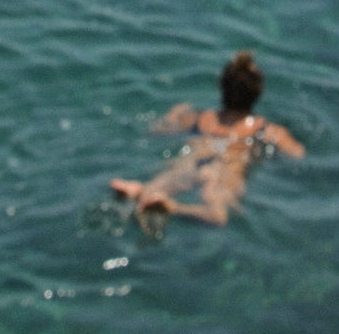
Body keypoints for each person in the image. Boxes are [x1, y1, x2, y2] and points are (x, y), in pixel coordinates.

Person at [109, 51, 302, 229]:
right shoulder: (266, 129)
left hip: (195, 162)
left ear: (222, 86)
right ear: (258, 92)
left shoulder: (199, 118)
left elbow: (155, 132)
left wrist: (172, 116)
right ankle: (174, 207)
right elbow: (298, 155)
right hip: (225, 170)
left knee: (157, 186)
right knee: (218, 215)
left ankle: (137, 191)